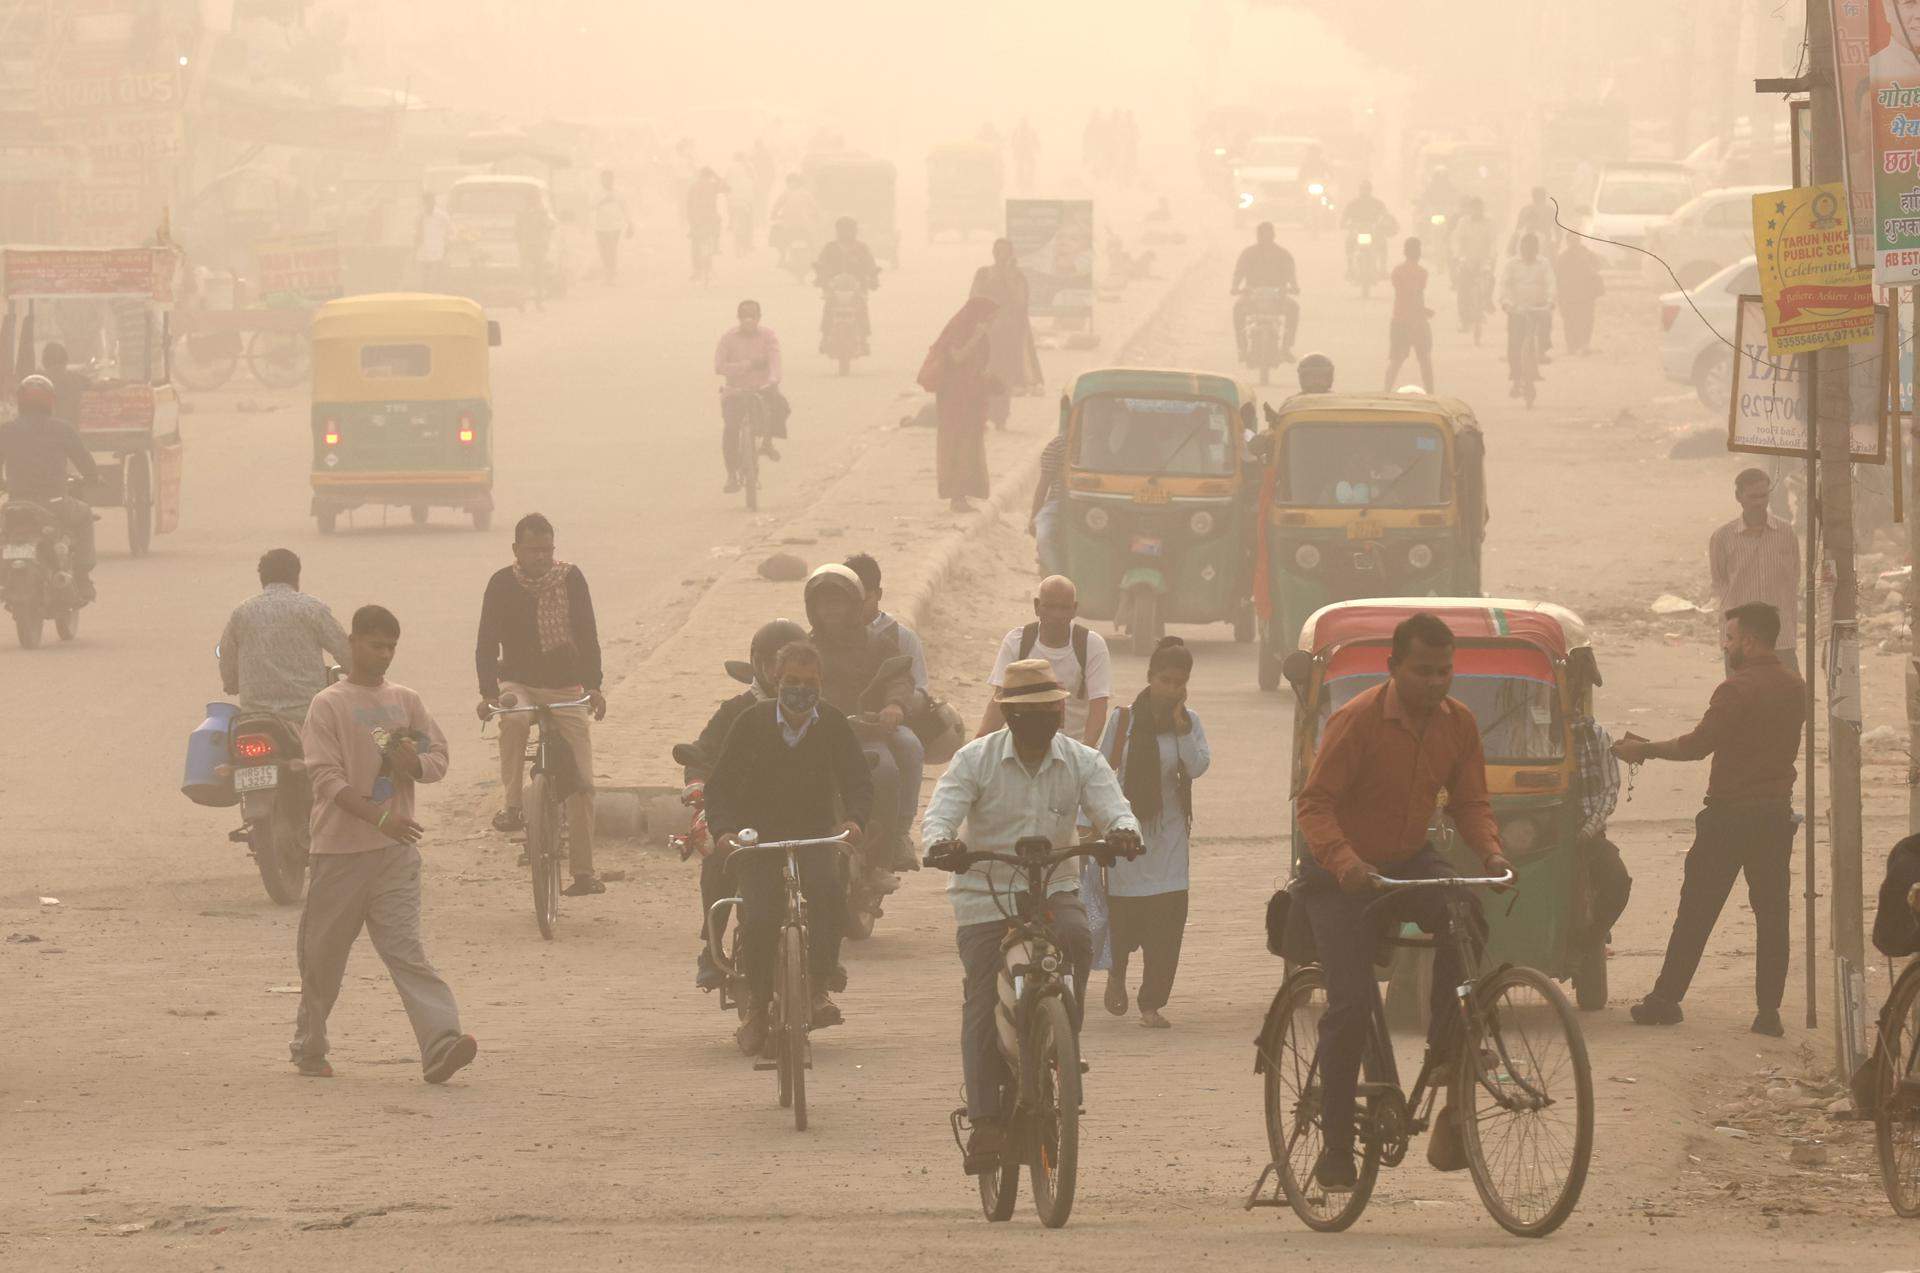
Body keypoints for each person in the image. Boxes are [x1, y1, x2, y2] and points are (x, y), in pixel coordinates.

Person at [1294, 612, 1512, 1190]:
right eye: (1422, 671)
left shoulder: (1458, 723)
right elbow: (1313, 804)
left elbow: (1470, 804)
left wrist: (1490, 854)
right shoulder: (1357, 720)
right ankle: (1337, 1148)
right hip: (1338, 873)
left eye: (1445, 671)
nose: (1436, 682)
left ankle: (1446, 1048)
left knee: (1464, 911)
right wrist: (1347, 864)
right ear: (1393, 668)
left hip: (1408, 860)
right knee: (1348, 1007)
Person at [921, 658, 1142, 1170]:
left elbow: (1115, 807)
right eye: (1031, 713)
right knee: (981, 995)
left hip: (1053, 887)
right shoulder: (974, 760)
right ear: (1010, 717)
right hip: (984, 895)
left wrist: (1124, 831)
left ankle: (1061, 1040)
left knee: (1078, 939)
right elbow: (941, 814)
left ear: (1063, 709)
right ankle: (984, 1123)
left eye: (1051, 711)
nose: (1044, 722)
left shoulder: (1082, 760)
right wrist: (942, 844)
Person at [292, 604, 474, 1084]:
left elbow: (438, 760)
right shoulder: (327, 704)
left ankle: (441, 1043)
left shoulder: (406, 701)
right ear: (353, 643)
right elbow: (327, 780)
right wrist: (380, 818)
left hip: (395, 857)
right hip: (338, 854)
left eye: (391, 646)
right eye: (376, 644)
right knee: (322, 960)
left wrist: (412, 764)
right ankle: (310, 1045)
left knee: (407, 952)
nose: (384, 654)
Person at [1614, 604, 1806, 1037]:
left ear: (1750, 641)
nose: (1726, 644)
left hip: (1730, 816)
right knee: (1773, 915)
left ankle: (1665, 1000)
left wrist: (1644, 750)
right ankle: (1768, 1013)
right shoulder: (1795, 686)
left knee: (1697, 911)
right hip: (1774, 816)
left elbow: (1698, 745)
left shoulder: (1735, 689)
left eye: (1730, 636)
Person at [704, 640, 871, 1049]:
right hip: (758, 839)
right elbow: (720, 786)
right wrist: (724, 831)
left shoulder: (831, 723)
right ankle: (758, 1010)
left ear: (821, 684)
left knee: (829, 891)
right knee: (760, 916)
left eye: (809, 682)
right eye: (792, 681)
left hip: (815, 834)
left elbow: (858, 780)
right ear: (777, 680)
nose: (800, 689)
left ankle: (818, 985)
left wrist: (854, 820)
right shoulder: (751, 721)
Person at [475, 513, 608, 897]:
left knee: (583, 783)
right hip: (519, 682)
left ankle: (583, 872)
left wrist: (595, 686)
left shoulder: (571, 579)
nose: (541, 557)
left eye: (547, 550)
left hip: (567, 686)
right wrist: (487, 694)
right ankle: (513, 805)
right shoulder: (501, 584)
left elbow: (588, 633)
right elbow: (486, 643)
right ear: (516, 550)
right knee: (513, 719)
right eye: (533, 550)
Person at [1092, 637, 1209, 1029]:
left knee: (1167, 923)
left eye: (1179, 682)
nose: (1172, 689)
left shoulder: (1188, 723)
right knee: (1124, 923)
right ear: (1150, 677)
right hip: (1127, 837)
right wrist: (1088, 823)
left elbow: (1197, 767)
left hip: (1170, 839)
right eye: (1165, 680)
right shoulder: (1122, 719)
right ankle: (1117, 974)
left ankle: (1151, 1004)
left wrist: (1182, 728)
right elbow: (1101, 771)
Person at [687, 618, 805, 991]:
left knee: (830, 877)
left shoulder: (817, 710)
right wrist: (696, 783)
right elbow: (702, 755)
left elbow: (843, 760)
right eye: (772, 660)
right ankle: (712, 946)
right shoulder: (734, 710)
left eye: (789, 661)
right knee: (718, 861)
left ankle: (820, 974)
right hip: (742, 817)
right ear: (756, 662)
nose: (778, 670)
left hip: (802, 814)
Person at [803, 565, 917, 879]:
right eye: (823, 603)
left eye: (837, 602)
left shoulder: (878, 643)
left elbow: (898, 676)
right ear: (812, 608)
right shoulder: (805, 647)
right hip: (815, 736)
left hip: (864, 734)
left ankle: (884, 856)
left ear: (855, 604)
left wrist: (893, 704)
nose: (830, 609)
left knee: (886, 772)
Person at [845, 552, 928, 872]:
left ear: (877, 595)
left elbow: (917, 686)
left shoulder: (899, 637)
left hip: (885, 724)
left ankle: (899, 833)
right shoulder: (829, 634)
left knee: (909, 746)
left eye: (860, 598)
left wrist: (896, 708)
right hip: (841, 721)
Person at [219, 548, 350, 723]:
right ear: (296, 577)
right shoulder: (312, 608)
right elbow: (345, 651)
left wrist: (231, 683)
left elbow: (227, 656)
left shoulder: (242, 612)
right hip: (307, 715)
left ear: (262, 579)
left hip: (255, 718)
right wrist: (356, 672)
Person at [978, 575, 1112, 746]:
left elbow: (1099, 707)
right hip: (1022, 746)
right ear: (1036, 606)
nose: (1057, 615)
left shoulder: (1091, 645)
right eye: (1050, 607)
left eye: (1064, 608)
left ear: (1074, 609)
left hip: (1071, 746)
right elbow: (1000, 701)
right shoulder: (1017, 642)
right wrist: (978, 745)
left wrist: (1084, 756)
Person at [0, 373, 99, 599]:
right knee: (84, 515)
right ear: (51, 401)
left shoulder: (5, 431)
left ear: (20, 401)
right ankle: (82, 579)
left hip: (16, 505)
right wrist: (93, 478)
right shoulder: (62, 429)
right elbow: (84, 461)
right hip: (55, 504)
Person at [1709, 469, 1800, 675]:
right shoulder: (1723, 537)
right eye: (1752, 497)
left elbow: (1794, 577)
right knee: (1741, 701)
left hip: (1780, 637)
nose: (1759, 502)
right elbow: (1720, 582)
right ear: (1738, 497)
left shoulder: (1786, 533)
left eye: (1764, 496)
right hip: (1740, 640)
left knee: (1789, 701)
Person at [921, 296, 998, 513]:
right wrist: (977, 335)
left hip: (971, 397)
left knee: (970, 444)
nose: (991, 323)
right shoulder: (960, 329)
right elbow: (957, 357)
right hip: (955, 399)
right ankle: (957, 497)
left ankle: (964, 494)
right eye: (989, 318)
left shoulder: (978, 333)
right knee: (957, 443)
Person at [712, 299, 783, 494]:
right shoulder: (728, 338)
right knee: (731, 431)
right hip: (735, 392)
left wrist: (774, 379)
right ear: (739, 318)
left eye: (753, 317)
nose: (749, 321)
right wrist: (746, 365)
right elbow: (719, 366)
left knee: (780, 407)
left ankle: (767, 442)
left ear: (759, 318)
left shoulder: (768, 336)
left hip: (761, 389)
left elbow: (775, 359)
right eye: (744, 317)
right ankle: (731, 475)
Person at [971, 238, 1042, 426]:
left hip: (1009, 334)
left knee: (1004, 376)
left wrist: (1008, 277)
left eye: (1004, 251)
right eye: (998, 250)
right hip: (986, 333)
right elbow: (974, 299)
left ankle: (1000, 416)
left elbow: (1020, 303)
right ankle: (983, 414)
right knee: (984, 372)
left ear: (1010, 254)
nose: (1000, 254)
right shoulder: (983, 274)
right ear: (993, 252)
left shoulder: (1017, 277)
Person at [1231, 222, 1300, 363]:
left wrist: (1294, 287)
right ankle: (1242, 347)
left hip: (1278, 297)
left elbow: (1290, 275)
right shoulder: (1248, 253)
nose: (1264, 238)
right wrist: (1235, 287)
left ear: (1273, 236)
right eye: (1262, 235)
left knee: (1293, 308)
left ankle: (1286, 347)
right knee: (1238, 309)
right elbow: (1239, 273)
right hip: (1252, 295)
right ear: (1257, 236)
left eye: (1267, 235)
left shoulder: (1283, 255)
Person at [813, 217, 881, 355]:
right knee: (828, 308)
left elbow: (871, 265)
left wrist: (873, 278)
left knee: (861, 308)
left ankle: (863, 338)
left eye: (849, 229)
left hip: (858, 288)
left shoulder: (862, 248)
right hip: (834, 288)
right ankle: (825, 336)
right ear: (837, 231)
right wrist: (820, 277)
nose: (846, 233)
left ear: (855, 231)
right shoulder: (830, 248)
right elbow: (820, 264)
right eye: (843, 229)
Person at [1499, 233, 1555, 396]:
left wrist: (1551, 301)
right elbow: (1505, 285)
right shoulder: (1511, 265)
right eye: (1525, 248)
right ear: (1520, 249)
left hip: (1539, 308)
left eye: (1531, 249)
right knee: (1514, 344)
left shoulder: (1544, 264)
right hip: (1517, 309)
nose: (1527, 252)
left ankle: (1543, 351)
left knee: (1545, 328)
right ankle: (1516, 379)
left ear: (1536, 250)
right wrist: (1506, 303)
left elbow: (1551, 283)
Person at [1384, 237, 1434, 392]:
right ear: (1419, 253)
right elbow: (1416, 295)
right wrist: (1424, 310)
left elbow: (1404, 293)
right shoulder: (1422, 273)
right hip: (1418, 322)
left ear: (1405, 252)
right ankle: (1431, 393)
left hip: (1400, 320)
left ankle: (1386, 391)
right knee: (1424, 360)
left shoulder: (1397, 271)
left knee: (1396, 360)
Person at [1027, 421, 1069, 576]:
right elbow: (1043, 484)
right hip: (1058, 503)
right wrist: (1034, 517)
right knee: (1043, 536)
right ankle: (1057, 578)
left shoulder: (1103, 443)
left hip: (1095, 505)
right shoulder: (1058, 445)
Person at [1450, 197, 1496, 331]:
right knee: (1463, 288)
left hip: (1484, 260)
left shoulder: (1489, 223)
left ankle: (1487, 301)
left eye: (1479, 208)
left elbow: (1493, 242)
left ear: (1483, 208)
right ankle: (1464, 320)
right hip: (1467, 260)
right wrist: (1460, 257)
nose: (1477, 211)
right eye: (1474, 208)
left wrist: (1491, 258)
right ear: (1470, 209)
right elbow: (1457, 240)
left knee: (1490, 280)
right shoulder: (1463, 223)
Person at [1555, 236, 1604, 355]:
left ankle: (1581, 345)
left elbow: (1598, 266)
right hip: (1572, 294)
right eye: (1572, 240)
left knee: (1582, 319)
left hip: (1582, 293)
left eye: (1574, 240)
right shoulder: (1564, 257)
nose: (1573, 243)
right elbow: (1557, 276)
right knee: (1573, 320)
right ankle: (1575, 346)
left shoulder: (1583, 254)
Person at [686, 166, 727, 281]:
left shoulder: (693, 187)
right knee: (713, 236)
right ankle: (715, 247)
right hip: (711, 219)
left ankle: (696, 270)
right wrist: (716, 176)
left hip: (697, 220)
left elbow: (688, 205)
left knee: (695, 244)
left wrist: (690, 219)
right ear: (709, 176)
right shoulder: (712, 185)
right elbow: (727, 188)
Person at [592, 170, 633, 283]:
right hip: (600, 226)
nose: (606, 181)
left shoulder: (619, 193)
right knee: (603, 251)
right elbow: (590, 206)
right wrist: (602, 201)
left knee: (611, 249)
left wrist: (630, 224)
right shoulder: (597, 193)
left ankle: (610, 274)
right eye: (604, 179)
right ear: (601, 180)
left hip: (615, 227)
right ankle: (608, 271)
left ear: (612, 180)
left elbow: (625, 209)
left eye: (609, 178)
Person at [514, 200, 555, 310]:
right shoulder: (541, 213)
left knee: (524, 276)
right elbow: (550, 225)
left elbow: (516, 232)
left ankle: (521, 301)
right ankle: (539, 303)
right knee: (539, 276)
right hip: (538, 248)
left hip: (525, 247)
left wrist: (520, 245)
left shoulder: (521, 213)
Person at [38, 342, 89, 427]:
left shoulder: (38, 382)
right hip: (71, 431)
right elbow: (99, 386)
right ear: (65, 360)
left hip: (46, 433)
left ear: (44, 362)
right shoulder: (78, 379)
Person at [414, 192, 450, 291]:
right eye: (426, 202)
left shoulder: (442, 216)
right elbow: (417, 233)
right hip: (422, 252)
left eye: (430, 201)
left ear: (434, 202)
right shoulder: (419, 216)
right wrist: (415, 248)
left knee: (433, 281)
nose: (428, 204)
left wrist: (446, 246)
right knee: (421, 280)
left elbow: (449, 232)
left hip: (437, 251)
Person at [726, 151, 757, 255]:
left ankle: (730, 224)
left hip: (733, 199)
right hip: (747, 199)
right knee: (749, 222)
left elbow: (726, 182)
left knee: (733, 215)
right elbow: (755, 181)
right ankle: (749, 243)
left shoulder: (730, 167)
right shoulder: (749, 167)